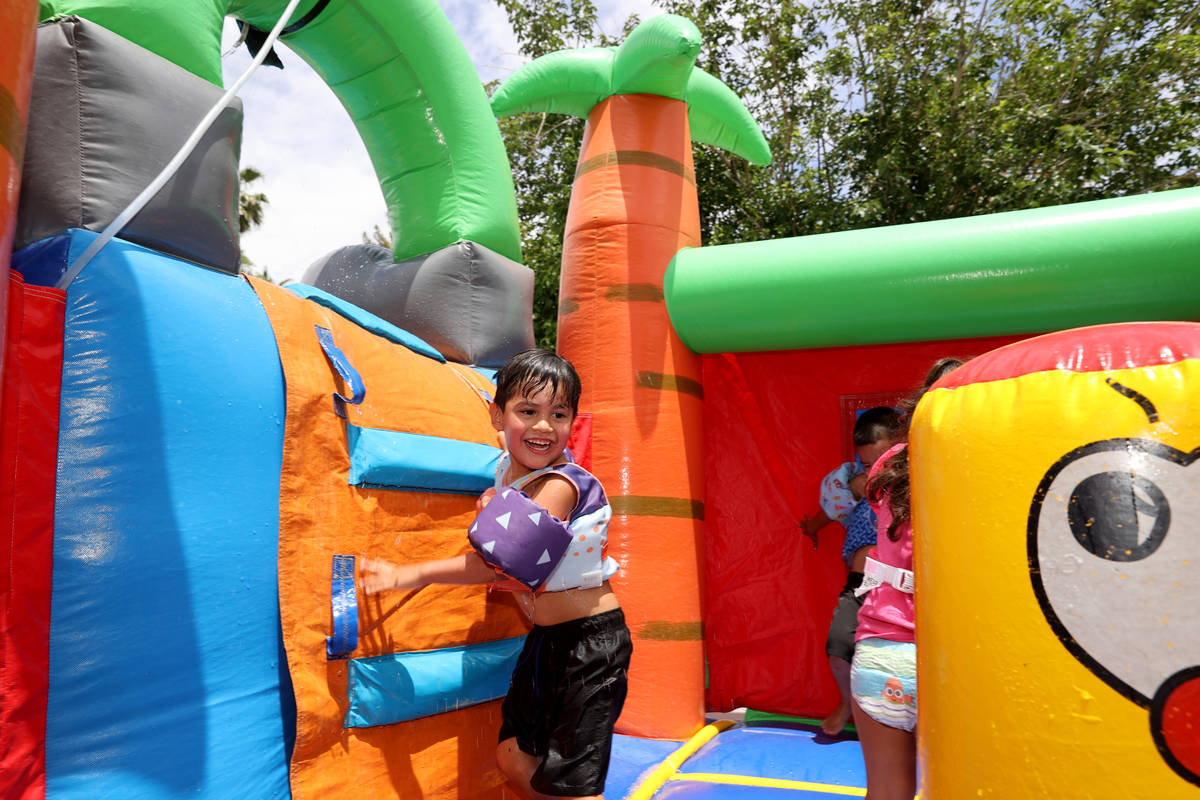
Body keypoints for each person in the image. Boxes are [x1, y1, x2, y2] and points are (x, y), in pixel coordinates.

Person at [360, 349, 631, 800]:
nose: (544, 426)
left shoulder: (560, 486)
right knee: (513, 756)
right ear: (497, 415)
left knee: (573, 785)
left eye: (558, 414)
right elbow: (520, 565)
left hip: (592, 644)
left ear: (572, 423)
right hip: (548, 640)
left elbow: (496, 560)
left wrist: (407, 574)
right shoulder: (508, 474)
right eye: (528, 411)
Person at [850, 357, 963, 800]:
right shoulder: (976, 464)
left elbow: (865, 482)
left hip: (883, 650)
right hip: (952, 660)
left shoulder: (892, 466)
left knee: (887, 790)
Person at [800, 407, 903, 735]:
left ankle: (897, 717)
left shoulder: (907, 486)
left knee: (896, 653)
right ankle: (847, 703)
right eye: (869, 464)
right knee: (838, 644)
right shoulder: (857, 484)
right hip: (861, 582)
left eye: (882, 462)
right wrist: (814, 526)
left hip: (898, 585)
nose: (876, 471)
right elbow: (831, 509)